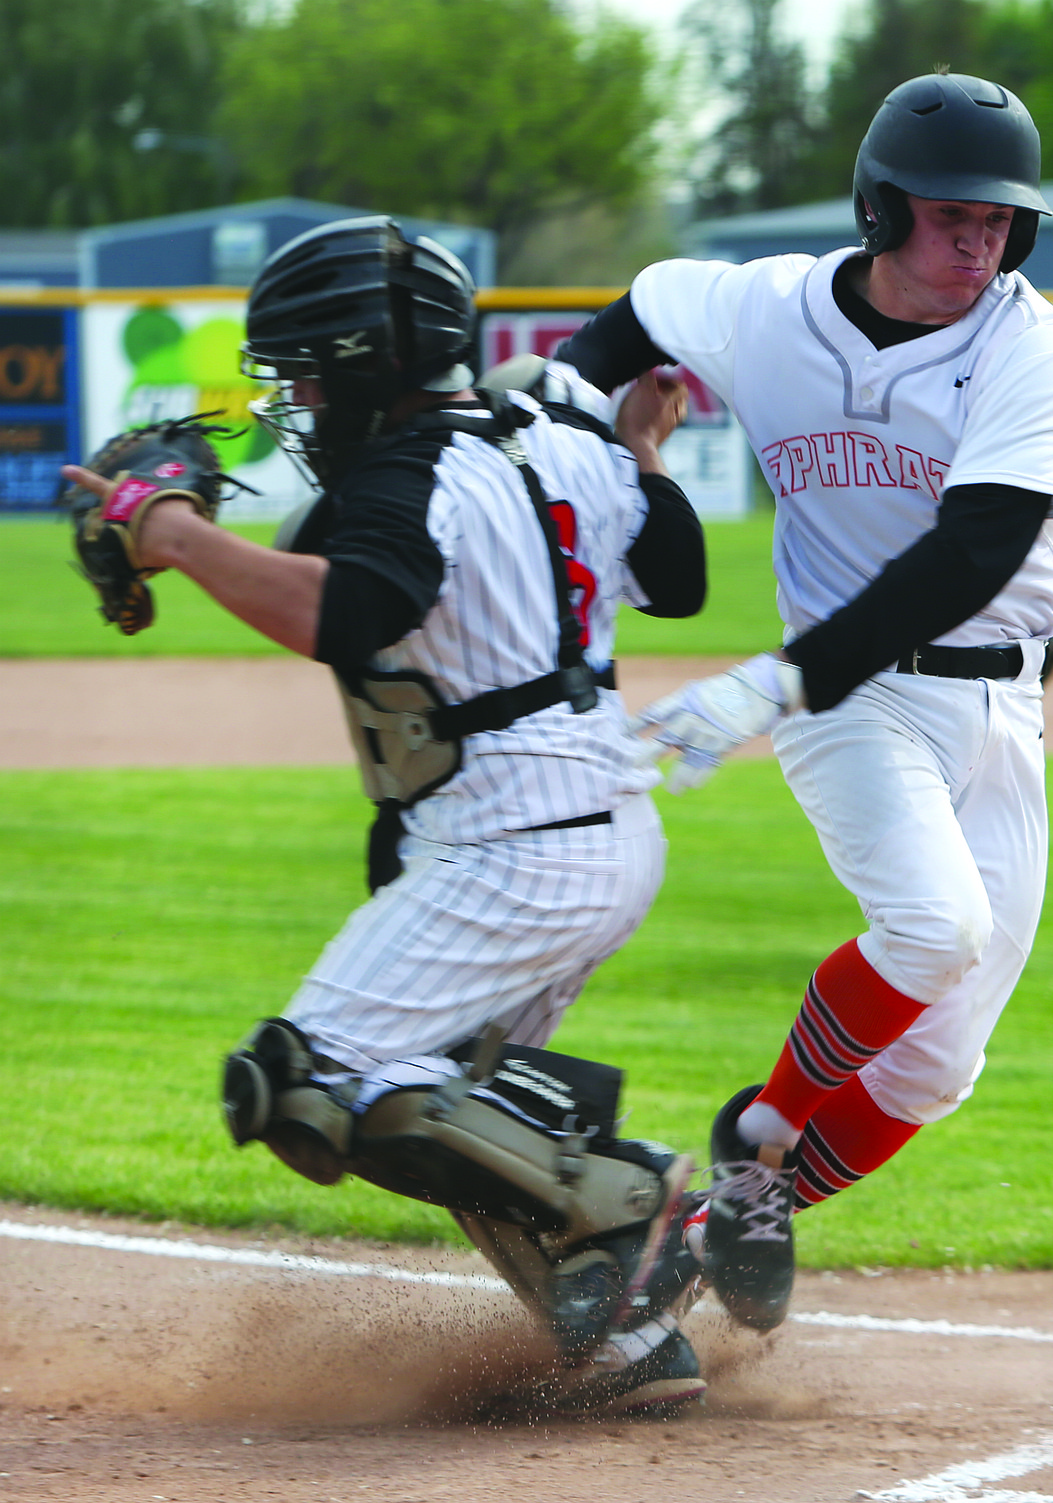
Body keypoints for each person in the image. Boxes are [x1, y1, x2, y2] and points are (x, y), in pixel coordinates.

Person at [61, 215, 710, 1416]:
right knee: (449, 1108)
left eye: (306, 369)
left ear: (365, 364)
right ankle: (626, 1350)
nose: (296, 399)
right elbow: (681, 581)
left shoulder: (411, 476)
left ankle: (648, 1196)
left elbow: (348, 610)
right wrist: (645, 455)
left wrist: (175, 530)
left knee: (309, 1081)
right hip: (591, 832)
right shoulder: (562, 436)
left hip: (512, 849)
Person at [547, 71, 1053, 1334]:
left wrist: (767, 684)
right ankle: (765, 1129)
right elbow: (633, 315)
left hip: (997, 713)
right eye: (953, 213)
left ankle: (715, 1215)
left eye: (1002, 219)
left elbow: (973, 556)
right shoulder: (769, 308)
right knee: (932, 927)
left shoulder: (1027, 343)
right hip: (858, 703)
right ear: (881, 206)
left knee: (942, 1065)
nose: (981, 241)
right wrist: (582, 413)